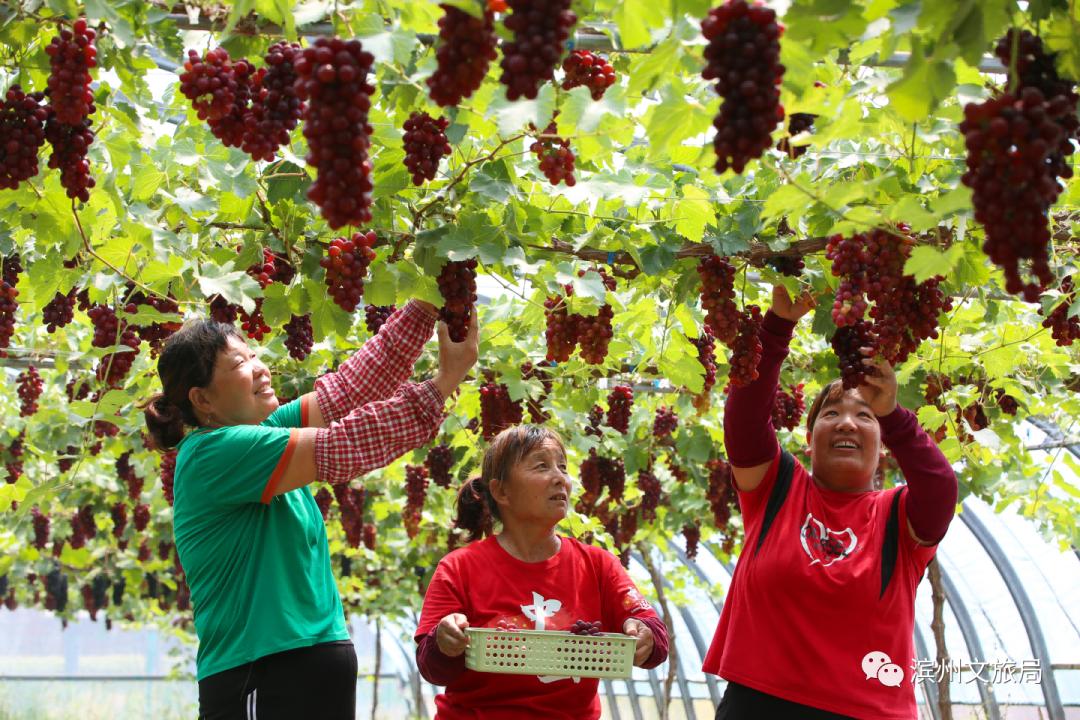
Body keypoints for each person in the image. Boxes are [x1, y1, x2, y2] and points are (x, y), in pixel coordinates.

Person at [142, 299, 478, 720]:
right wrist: (445, 380)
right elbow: (347, 444)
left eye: (254, 354)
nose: (262, 367)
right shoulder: (212, 454)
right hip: (261, 673)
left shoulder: (264, 433)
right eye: (240, 363)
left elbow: (351, 390)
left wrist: (424, 305)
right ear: (202, 399)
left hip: (311, 665)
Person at [702, 286, 959, 720]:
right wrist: (777, 326)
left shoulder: (897, 516)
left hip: (868, 711)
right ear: (808, 438)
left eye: (865, 416)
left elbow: (939, 487)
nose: (847, 423)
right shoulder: (778, 489)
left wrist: (895, 414)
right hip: (758, 705)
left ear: (883, 446)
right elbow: (745, 424)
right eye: (831, 413)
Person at [414, 425, 670, 719]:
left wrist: (647, 635)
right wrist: (443, 641)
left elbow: (653, 635)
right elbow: (431, 666)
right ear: (501, 491)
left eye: (562, 466)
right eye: (541, 466)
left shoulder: (598, 565)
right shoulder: (459, 568)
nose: (560, 478)